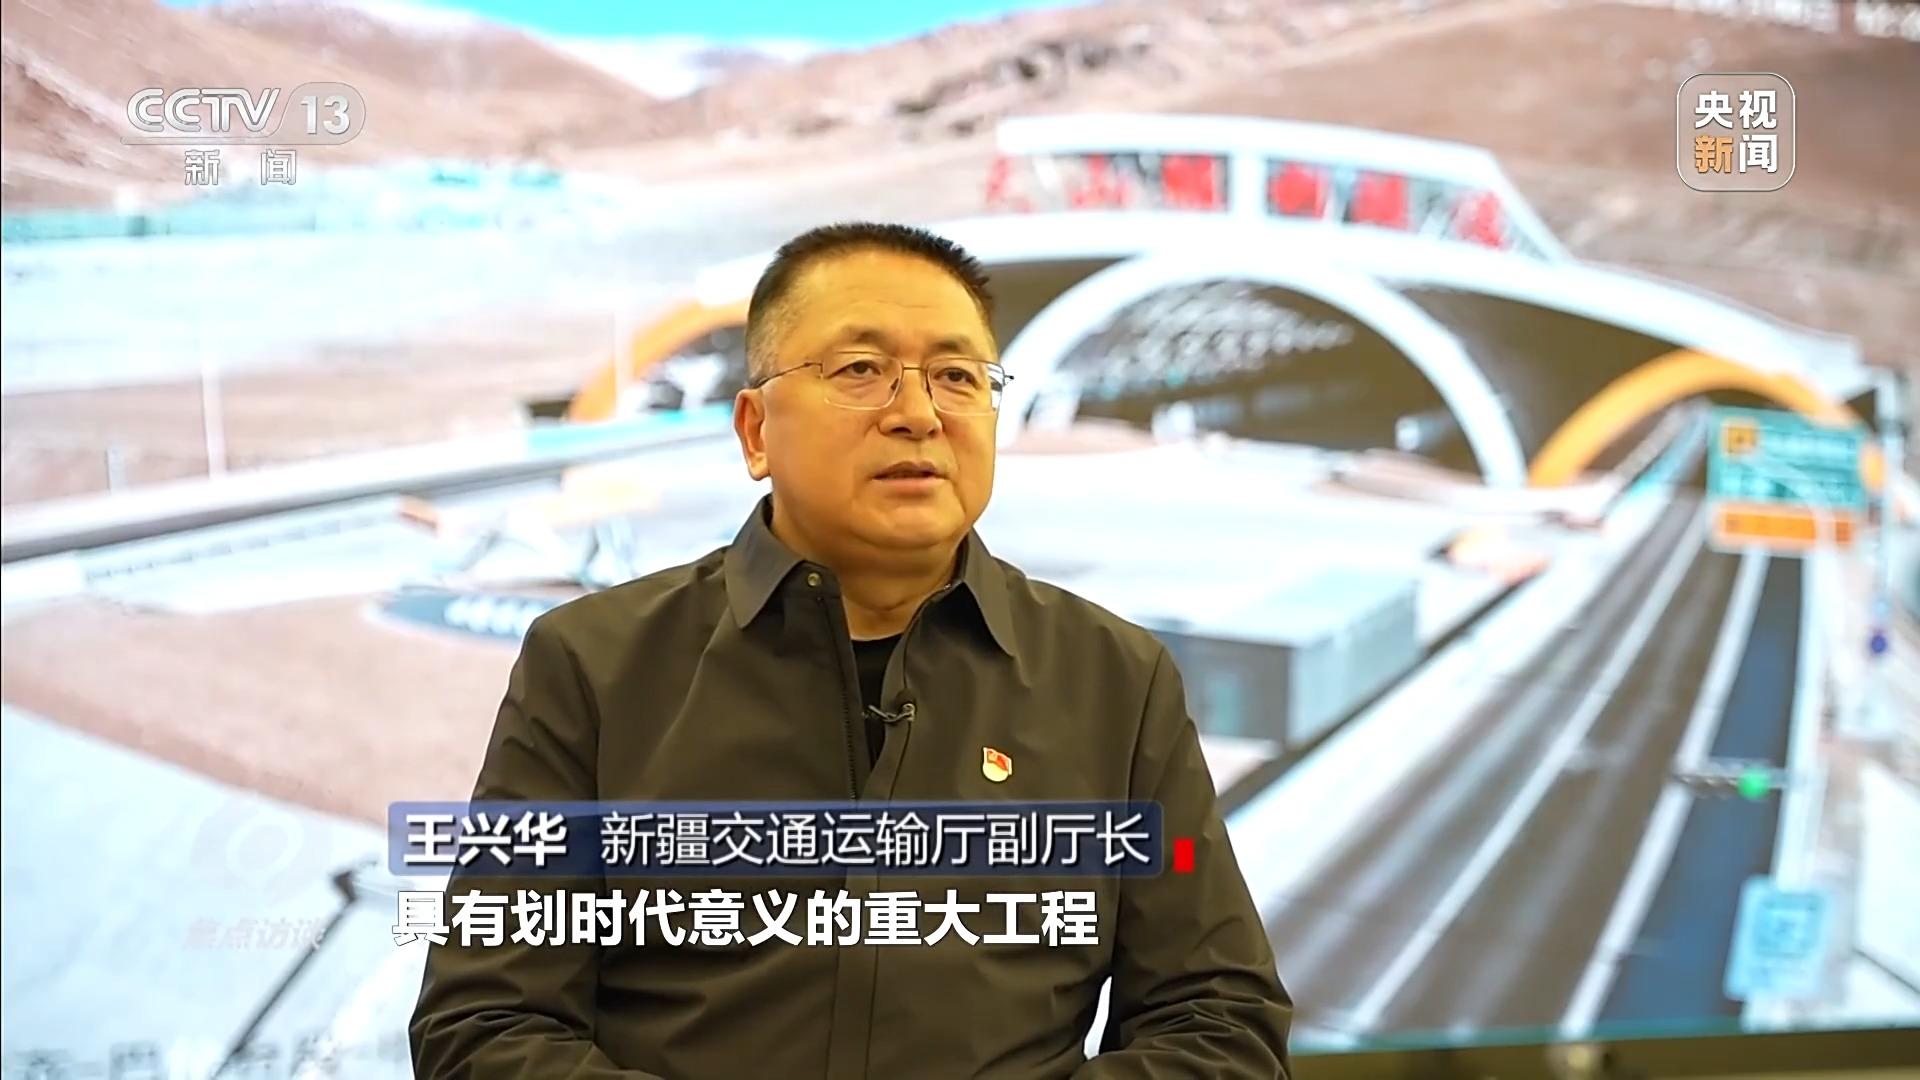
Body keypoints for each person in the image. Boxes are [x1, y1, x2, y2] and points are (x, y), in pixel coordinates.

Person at [411, 222, 1294, 1078]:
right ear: (756, 430)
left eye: (957, 376)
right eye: (860, 371)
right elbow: (485, 1026)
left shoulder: (1112, 679)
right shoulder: (595, 666)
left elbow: (1219, 1023)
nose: (917, 413)